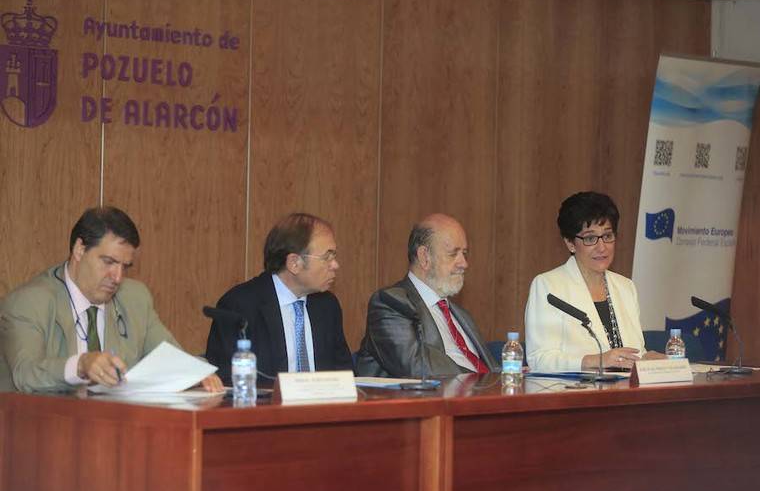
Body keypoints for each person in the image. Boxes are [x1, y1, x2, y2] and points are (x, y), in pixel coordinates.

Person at [0, 207, 223, 393]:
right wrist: (81, 365)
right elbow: (25, 373)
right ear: (79, 249)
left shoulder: (134, 298)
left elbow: (173, 356)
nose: (117, 278)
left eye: (124, 266)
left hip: (116, 430)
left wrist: (197, 372)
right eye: (108, 262)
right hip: (42, 433)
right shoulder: (29, 302)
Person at [525, 191, 665, 372]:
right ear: (570, 243)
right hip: (576, 395)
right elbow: (540, 359)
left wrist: (647, 358)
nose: (602, 247)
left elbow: (630, 353)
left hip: (625, 392)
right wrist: (596, 360)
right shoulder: (549, 286)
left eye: (607, 236)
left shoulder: (625, 287)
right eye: (590, 238)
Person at [205, 213, 352, 384]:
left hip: (322, 409)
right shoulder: (239, 306)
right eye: (327, 257)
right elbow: (227, 380)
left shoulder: (327, 305)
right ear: (294, 263)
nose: (335, 265)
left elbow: (345, 374)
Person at [355, 214, 498, 378]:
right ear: (424, 257)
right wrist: (486, 383)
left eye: (465, 253)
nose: (464, 263)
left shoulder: (460, 314)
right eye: (453, 254)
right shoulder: (390, 304)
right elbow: (418, 368)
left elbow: (489, 367)